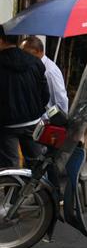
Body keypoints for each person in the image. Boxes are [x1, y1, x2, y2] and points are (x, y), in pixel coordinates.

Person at [0, 26, 49, 168]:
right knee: (36, 164)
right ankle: (38, 182)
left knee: (10, 166)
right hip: (33, 121)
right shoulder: (35, 62)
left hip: (6, 124)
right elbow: (45, 94)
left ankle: (13, 182)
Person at [19, 36, 68, 114]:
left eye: (24, 52)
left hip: (46, 118)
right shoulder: (33, 67)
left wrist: (47, 117)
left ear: (37, 51)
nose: (21, 56)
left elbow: (61, 103)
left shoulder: (50, 71)